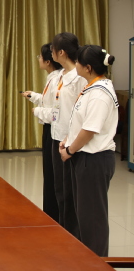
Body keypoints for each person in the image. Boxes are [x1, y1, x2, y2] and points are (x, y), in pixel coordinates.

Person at [59, 45, 117, 256]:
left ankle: (97, 263)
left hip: (93, 160)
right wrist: (67, 139)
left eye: (78, 63)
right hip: (84, 157)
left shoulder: (100, 94)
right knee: (84, 215)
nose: (76, 65)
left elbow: (90, 130)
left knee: (93, 219)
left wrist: (70, 150)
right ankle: (86, 259)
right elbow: (81, 121)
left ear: (88, 68)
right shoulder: (92, 87)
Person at [49, 32, 86, 238]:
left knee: (70, 192)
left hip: (71, 140)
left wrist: (71, 142)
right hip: (57, 135)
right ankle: (63, 230)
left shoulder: (79, 78)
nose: (51, 53)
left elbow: (81, 111)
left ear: (61, 52)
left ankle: (72, 234)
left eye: (53, 49)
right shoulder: (60, 75)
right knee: (60, 189)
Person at [21, 43, 62, 222]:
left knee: (53, 175)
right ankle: (50, 214)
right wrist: (34, 96)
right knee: (50, 173)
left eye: (40, 57)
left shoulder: (57, 79)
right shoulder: (52, 78)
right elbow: (48, 102)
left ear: (48, 61)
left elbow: (55, 112)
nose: (38, 59)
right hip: (50, 129)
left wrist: (37, 111)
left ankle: (54, 216)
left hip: (54, 130)